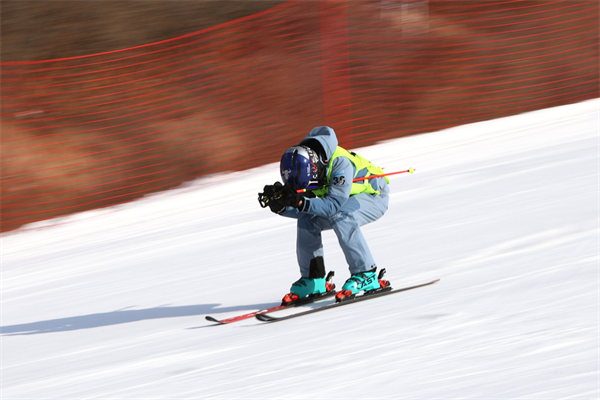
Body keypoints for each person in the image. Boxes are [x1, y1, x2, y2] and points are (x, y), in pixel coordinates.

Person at [259, 126, 391, 304]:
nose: (309, 186)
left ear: (315, 168)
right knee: (307, 220)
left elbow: (332, 207)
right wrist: (281, 205)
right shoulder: (308, 166)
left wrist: (299, 201)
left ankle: (366, 274)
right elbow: (305, 209)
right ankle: (314, 280)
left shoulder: (340, 162)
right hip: (345, 199)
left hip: (374, 195)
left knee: (341, 216)